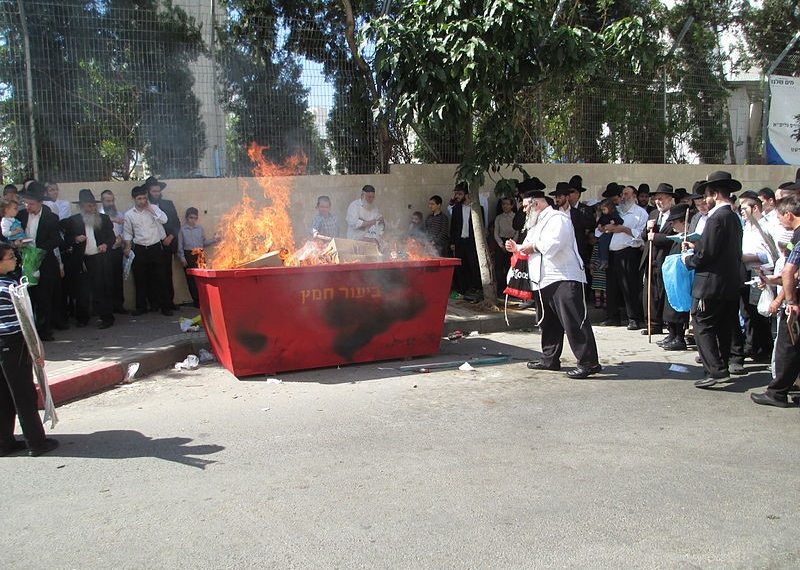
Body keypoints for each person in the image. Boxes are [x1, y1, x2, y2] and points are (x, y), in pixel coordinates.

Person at [505, 190, 601, 379]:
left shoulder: (558, 218)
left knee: (574, 321)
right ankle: (550, 359)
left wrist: (530, 247)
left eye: (525, 206)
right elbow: (528, 247)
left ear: (536, 204)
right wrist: (517, 248)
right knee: (548, 323)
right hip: (542, 279)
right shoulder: (535, 224)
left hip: (563, 277)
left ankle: (589, 362)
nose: (524, 211)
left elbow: (553, 245)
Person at [683, 171, 745, 389]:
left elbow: (706, 253)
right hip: (728, 282)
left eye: (706, 196)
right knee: (723, 327)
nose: (704, 201)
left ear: (715, 194)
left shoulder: (717, 218)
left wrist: (688, 259)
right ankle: (722, 366)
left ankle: (716, 371)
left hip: (710, 284)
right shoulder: (733, 217)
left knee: (703, 324)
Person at [0, 242, 58, 456]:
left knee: (4, 394)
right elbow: (25, 323)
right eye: (10, 258)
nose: (15, 260)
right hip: (14, 342)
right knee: (23, 393)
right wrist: (36, 351)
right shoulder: (10, 288)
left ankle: (4, 442)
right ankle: (36, 442)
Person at [751, 192, 800, 407]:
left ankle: (777, 392)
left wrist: (789, 301)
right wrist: (771, 280)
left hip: (795, 299)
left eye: (780, 217)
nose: (779, 221)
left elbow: (791, 272)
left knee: (787, 346)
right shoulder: (793, 238)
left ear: (788, 214)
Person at [61, 189, 115, 329]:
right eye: (88, 206)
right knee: (82, 291)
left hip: (99, 259)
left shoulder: (104, 219)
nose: (91, 209)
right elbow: (65, 240)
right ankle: (82, 318)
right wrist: (75, 239)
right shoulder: (73, 221)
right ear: (81, 207)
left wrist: (105, 244)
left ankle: (107, 317)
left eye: (93, 206)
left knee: (101, 289)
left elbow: (111, 237)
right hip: (82, 260)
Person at [16, 182, 63, 341]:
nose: (28, 206)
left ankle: (43, 331)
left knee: (44, 297)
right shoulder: (20, 216)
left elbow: (56, 240)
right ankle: (28, 331)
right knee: (28, 297)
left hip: (44, 262)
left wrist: (39, 250)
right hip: (25, 261)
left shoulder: (51, 218)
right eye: (26, 203)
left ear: (40, 203)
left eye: (32, 204)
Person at [601, 184, 648, 329]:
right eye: (622, 194)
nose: (624, 197)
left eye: (627, 194)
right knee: (612, 287)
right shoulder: (617, 210)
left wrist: (623, 229)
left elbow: (641, 234)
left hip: (629, 252)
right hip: (612, 253)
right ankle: (613, 317)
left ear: (634, 196)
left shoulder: (640, 213)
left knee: (630, 287)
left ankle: (634, 318)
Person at [123, 185, 172, 317]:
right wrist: (127, 247)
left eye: (144, 198)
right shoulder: (129, 214)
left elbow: (165, 220)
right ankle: (141, 307)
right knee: (140, 280)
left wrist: (150, 208)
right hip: (139, 249)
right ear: (133, 199)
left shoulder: (154, 208)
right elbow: (127, 232)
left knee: (161, 278)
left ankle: (165, 307)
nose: (142, 201)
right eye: (139, 198)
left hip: (155, 247)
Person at [640, 183, 676, 336]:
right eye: (656, 199)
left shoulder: (676, 214)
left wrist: (657, 237)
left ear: (669, 199)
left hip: (666, 258)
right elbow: (644, 236)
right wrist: (648, 229)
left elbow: (675, 238)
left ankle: (669, 325)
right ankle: (652, 324)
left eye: (661, 199)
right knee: (650, 292)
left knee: (664, 292)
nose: (658, 202)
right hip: (651, 258)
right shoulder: (653, 214)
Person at [659, 203, 692, 350]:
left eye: (674, 222)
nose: (672, 225)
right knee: (669, 305)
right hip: (672, 277)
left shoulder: (689, 238)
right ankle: (672, 334)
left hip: (682, 278)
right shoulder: (676, 237)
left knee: (678, 309)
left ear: (684, 222)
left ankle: (679, 336)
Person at [145, 177, 180, 311]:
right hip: (151, 245)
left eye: (158, 191)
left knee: (167, 273)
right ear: (148, 192)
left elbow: (176, 223)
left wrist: (170, 237)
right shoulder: (144, 206)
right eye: (154, 191)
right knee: (153, 274)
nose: (157, 194)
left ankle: (169, 302)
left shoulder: (168, 204)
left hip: (166, 244)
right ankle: (155, 303)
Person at [177, 208, 218, 308]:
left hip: (199, 254)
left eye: (195, 218)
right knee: (191, 279)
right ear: (187, 218)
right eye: (191, 218)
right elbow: (180, 245)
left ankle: (204, 299)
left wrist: (214, 240)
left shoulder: (200, 229)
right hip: (188, 254)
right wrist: (182, 257)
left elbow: (203, 243)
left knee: (202, 277)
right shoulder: (182, 230)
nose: (193, 220)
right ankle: (196, 301)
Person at [448, 182, 483, 296]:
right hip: (459, 242)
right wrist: (452, 242)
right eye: (456, 194)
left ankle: (476, 288)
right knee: (460, 266)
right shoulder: (456, 209)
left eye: (460, 194)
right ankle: (462, 289)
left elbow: (482, 226)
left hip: (472, 242)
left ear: (467, 195)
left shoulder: (477, 208)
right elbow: (453, 227)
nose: (457, 196)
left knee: (473, 265)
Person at [99, 190, 127, 314]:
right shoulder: (98, 215)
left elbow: (123, 230)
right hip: (105, 251)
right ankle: (108, 308)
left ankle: (119, 306)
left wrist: (121, 239)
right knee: (106, 280)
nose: (110, 203)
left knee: (117, 278)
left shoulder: (120, 214)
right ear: (102, 201)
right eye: (107, 201)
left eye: (112, 200)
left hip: (117, 250)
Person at [493, 197, 518, 297]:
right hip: (501, 243)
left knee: (511, 267)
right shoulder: (498, 218)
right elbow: (496, 233)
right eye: (503, 204)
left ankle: (511, 289)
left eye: (507, 204)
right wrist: (501, 244)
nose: (505, 206)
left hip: (513, 242)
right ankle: (501, 289)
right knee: (499, 268)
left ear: (512, 205)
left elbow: (518, 232)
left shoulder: (515, 217)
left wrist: (513, 243)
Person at [595, 199, 623, 270]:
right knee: (600, 243)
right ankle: (600, 259)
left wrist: (614, 222)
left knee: (604, 244)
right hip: (604, 232)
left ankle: (604, 260)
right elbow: (600, 221)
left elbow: (620, 221)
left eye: (604, 209)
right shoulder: (604, 215)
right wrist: (599, 225)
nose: (603, 212)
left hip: (610, 233)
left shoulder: (614, 214)